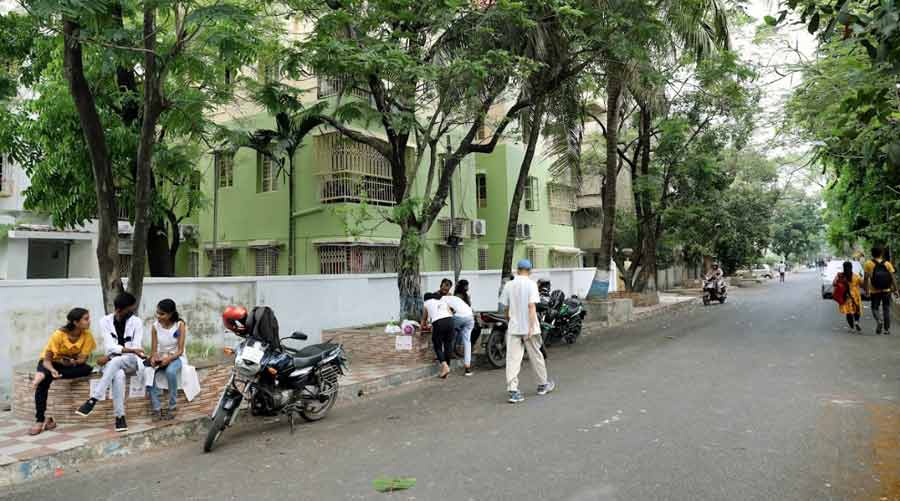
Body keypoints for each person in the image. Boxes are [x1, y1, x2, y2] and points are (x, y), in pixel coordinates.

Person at [76, 292, 144, 432]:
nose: (132, 312)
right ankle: (120, 417)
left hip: (131, 360)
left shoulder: (137, 322)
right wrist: (121, 353)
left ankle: (94, 398)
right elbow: (110, 346)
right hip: (115, 361)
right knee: (118, 375)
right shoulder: (104, 321)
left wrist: (112, 356)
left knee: (116, 361)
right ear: (119, 310)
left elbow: (136, 347)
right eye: (129, 309)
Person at [29, 308, 96, 435]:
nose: (89, 321)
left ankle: (43, 375)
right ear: (76, 322)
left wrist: (72, 362)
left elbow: (82, 360)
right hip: (50, 363)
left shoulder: (87, 335)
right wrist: (53, 369)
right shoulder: (58, 335)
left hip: (68, 365)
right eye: (86, 319)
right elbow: (47, 360)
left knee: (87, 369)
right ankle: (39, 420)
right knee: (44, 382)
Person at [499, 259, 555, 404]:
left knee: (513, 359)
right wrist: (530, 327)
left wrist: (509, 318)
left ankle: (513, 391)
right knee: (536, 355)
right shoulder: (531, 284)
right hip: (530, 328)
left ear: (517, 270)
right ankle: (542, 385)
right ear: (530, 271)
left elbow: (505, 307)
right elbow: (531, 307)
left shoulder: (509, 285)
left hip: (514, 327)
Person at [145, 299, 187, 421]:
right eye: (157, 313)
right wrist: (154, 358)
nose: (158, 316)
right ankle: (157, 408)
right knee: (149, 372)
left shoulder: (180, 325)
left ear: (171, 314)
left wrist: (169, 359)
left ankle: (172, 406)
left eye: (162, 314)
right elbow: (153, 350)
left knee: (170, 371)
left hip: (177, 357)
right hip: (162, 357)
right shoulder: (155, 327)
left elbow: (180, 350)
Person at [864, 247, 899, 335]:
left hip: (874, 290)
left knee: (874, 308)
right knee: (886, 308)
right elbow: (892, 277)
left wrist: (866, 290)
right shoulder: (887, 264)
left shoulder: (868, 263)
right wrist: (896, 290)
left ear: (872, 254)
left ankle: (879, 320)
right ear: (881, 254)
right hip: (886, 290)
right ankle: (886, 330)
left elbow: (865, 279)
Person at [443, 284, 475, 376]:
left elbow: (448, 313)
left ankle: (446, 366)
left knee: (448, 337)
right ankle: (467, 368)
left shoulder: (442, 300)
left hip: (459, 317)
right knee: (467, 342)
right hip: (470, 317)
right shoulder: (456, 298)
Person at [422, 292, 454, 378]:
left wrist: (422, 328)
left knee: (437, 345)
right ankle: (447, 367)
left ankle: (445, 366)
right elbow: (451, 313)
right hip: (450, 321)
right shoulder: (442, 301)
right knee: (448, 344)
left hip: (439, 323)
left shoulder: (426, 303)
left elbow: (424, 319)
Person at [833, 261, 863, 333]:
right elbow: (862, 284)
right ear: (851, 267)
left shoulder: (840, 275)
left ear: (843, 267)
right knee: (857, 310)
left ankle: (852, 328)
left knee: (848, 312)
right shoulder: (856, 276)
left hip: (845, 295)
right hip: (855, 296)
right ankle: (856, 322)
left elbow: (834, 283)